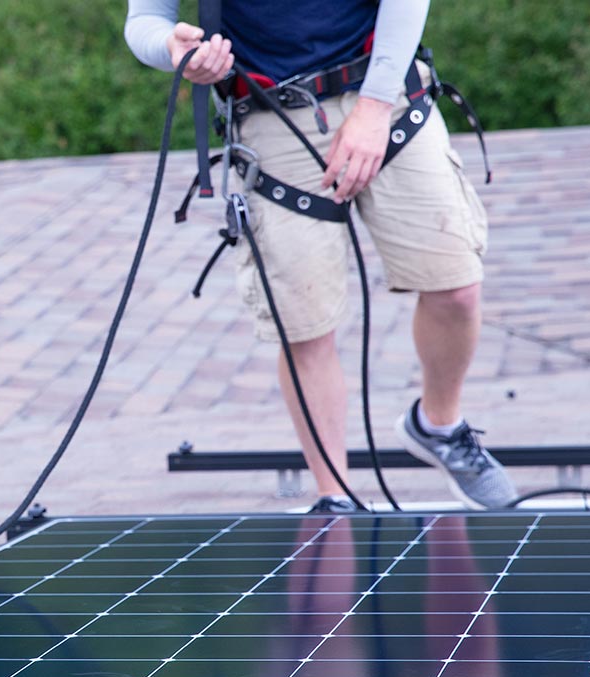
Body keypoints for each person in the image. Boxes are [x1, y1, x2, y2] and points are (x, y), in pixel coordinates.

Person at [125, 1, 517, 512]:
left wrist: (374, 107)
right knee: (304, 324)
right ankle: (336, 498)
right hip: (270, 110)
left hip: (389, 92)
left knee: (456, 285)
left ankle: (438, 425)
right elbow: (144, 22)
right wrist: (174, 50)